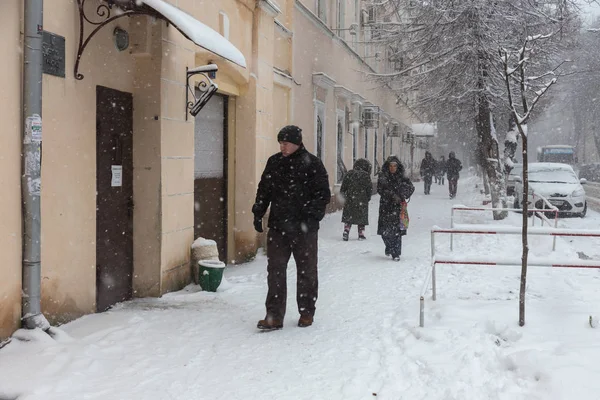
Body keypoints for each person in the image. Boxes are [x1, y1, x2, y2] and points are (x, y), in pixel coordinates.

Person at [252, 125, 331, 330]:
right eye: (280, 143)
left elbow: (323, 195)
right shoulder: (274, 162)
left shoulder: (312, 164)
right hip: (278, 227)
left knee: (306, 270)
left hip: (304, 229)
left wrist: (310, 218)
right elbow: (264, 189)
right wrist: (258, 211)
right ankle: (274, 315)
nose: (282, 147)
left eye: (285, 143)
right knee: (275, 270)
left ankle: (306, 311)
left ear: (296, 143)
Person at [377, 156, 415, 261]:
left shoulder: (402, 176)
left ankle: (396, 253)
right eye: (391, 166)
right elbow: (380, 189)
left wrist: (402, 195)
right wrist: (391, 196)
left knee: (397, 232)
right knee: (385, 232)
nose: (393, 168)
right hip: (386, 206)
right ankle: (389, 246)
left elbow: (411, 187)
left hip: (398, 208)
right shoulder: (383, 176)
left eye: (395, 166)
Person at [340, 158, 372, 241]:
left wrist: (345, 196)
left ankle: (346, 231)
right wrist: (367, 198)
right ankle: (361, 234)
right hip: (362, 200)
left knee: (349, 216)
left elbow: (343, 188)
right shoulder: (366, 176)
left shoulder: (349, 174)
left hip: (350, 199)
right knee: (362, 218)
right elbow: (369, 189)